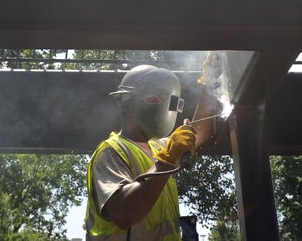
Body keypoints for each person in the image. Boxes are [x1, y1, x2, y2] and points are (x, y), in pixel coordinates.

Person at [84, 64, 215, 240]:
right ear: (128, 103)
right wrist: (167, 161)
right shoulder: (111, 151)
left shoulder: (159, 149)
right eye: (155, 100)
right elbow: (124, 214)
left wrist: (208, 88)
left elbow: (200, 132)